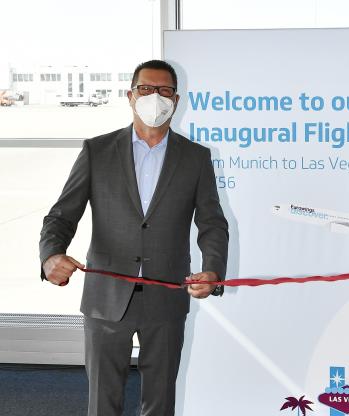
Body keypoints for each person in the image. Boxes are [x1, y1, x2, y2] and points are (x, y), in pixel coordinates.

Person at [39, 59, 229, 416]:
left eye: (165, 90)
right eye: (146, 89)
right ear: (130, 96)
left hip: (166, 299)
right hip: (106, 298)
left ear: (176, 100)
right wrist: (51, 255)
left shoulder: (196, 157)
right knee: (103, 402)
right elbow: (61, 215)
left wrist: (213, 271)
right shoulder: (97, 151)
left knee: (160, 403)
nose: (155, 97)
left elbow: (212, 223)